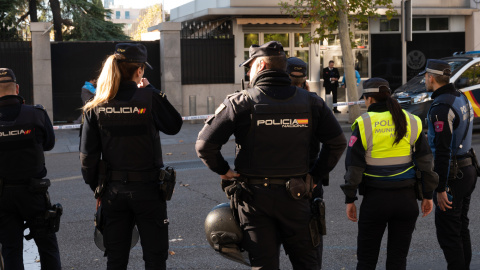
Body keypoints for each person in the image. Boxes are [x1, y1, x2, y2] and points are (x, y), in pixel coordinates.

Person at [196, 41, 347, 269]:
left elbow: (204, 145)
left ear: (261, 65)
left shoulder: (240, 102)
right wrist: (314, 177)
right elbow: (337, 143)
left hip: (254, 201)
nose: (248, 73)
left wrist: (225, 172)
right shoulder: (312, 102)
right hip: (298, 196)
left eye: (250, 67)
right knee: (307, 264)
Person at [80, 43, 183, 269]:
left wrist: (96, 189)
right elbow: (174, 125)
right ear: (139, 71)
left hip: (113, 193)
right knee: (155, 258)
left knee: (116, 258)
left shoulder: (95, 106)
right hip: (148, 191)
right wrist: (152, 90)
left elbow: (88, 158)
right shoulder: (149, 98)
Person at [341, 77, 439, 270]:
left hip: (375, 200)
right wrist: (428, 195)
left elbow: (354, 167)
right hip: (406, 200)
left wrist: (350, 199)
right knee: (397, 260)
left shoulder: (364, 123)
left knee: (367, 261)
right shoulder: (411, 120)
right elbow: (427, 163)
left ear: (369, 99)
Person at [0, 68, 61, 269]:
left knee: (10, 250)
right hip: (34, 192)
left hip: (3, 194)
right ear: (17, 88)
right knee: (47, 247)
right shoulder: (36, 114)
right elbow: (49, 144)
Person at [422, 59, 478, 270]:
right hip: (468, 168)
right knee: (460, 227)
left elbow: (444, 151)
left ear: (432, 78)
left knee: (449, 232)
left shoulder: (441, 106)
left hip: (453, 175)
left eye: (426, 77)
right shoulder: (460, 97)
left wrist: (441, 187)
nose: (425, 80)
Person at [287, 56, 327, 268]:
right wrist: (317, 174)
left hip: (281, 180)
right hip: (310, 179)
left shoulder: (277, 101)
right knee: (311, 242)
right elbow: (335, 142)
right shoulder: (314, 101)